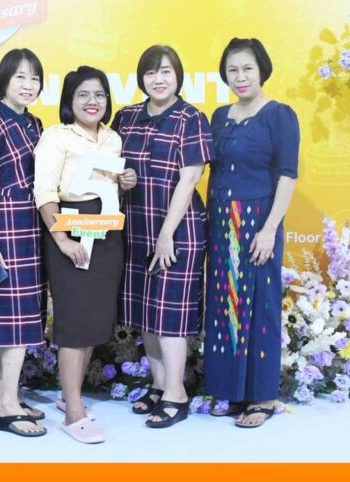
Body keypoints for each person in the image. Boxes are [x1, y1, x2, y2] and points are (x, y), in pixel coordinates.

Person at [111, 45, 213, 428]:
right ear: (142, 78)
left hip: (178, 230)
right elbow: (113, 169)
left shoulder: (191, 118)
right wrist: (122, 179)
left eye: (166, 72)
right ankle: (157, 385)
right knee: (145, 312)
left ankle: (176, 393)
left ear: (178, 76)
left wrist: (167, 233)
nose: (158, 79)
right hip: (136, 226)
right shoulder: (127, 117)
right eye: (151, 72)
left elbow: (189, 180)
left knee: (169, 315)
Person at [204, 38, 299, 429]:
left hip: (259, 222)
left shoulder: (279, 115)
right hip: (221, 221)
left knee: (260, 307)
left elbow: (288, 175)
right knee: (224, 306)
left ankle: (262, 397)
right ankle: (230, 392)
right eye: (232, 70)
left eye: (247, 68)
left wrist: (269, 229)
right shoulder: (219, 116)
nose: (240, 77)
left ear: (262, 71)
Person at [34, 66, 131, 444]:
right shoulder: (56, 137)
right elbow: (45, 192)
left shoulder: (113, 139)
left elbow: (109, 188)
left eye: (99, 94)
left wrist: (126, 181)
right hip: (70, 230)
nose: (93, 102)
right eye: (83, 95)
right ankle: (74, 410)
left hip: (106, 232)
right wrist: (61, 240)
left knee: (93, 318)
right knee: (74, 320)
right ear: (69, 100)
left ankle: (67, 395)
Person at [0, 48, 48, 437]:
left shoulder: (34, 123)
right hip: (1, 227)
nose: (28, 84)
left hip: (30, 226)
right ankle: (7, 407)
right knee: (11, 320)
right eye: (20, 77)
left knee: (21, 316)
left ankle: (4, 395)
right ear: (4, 79)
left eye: (34, 78)